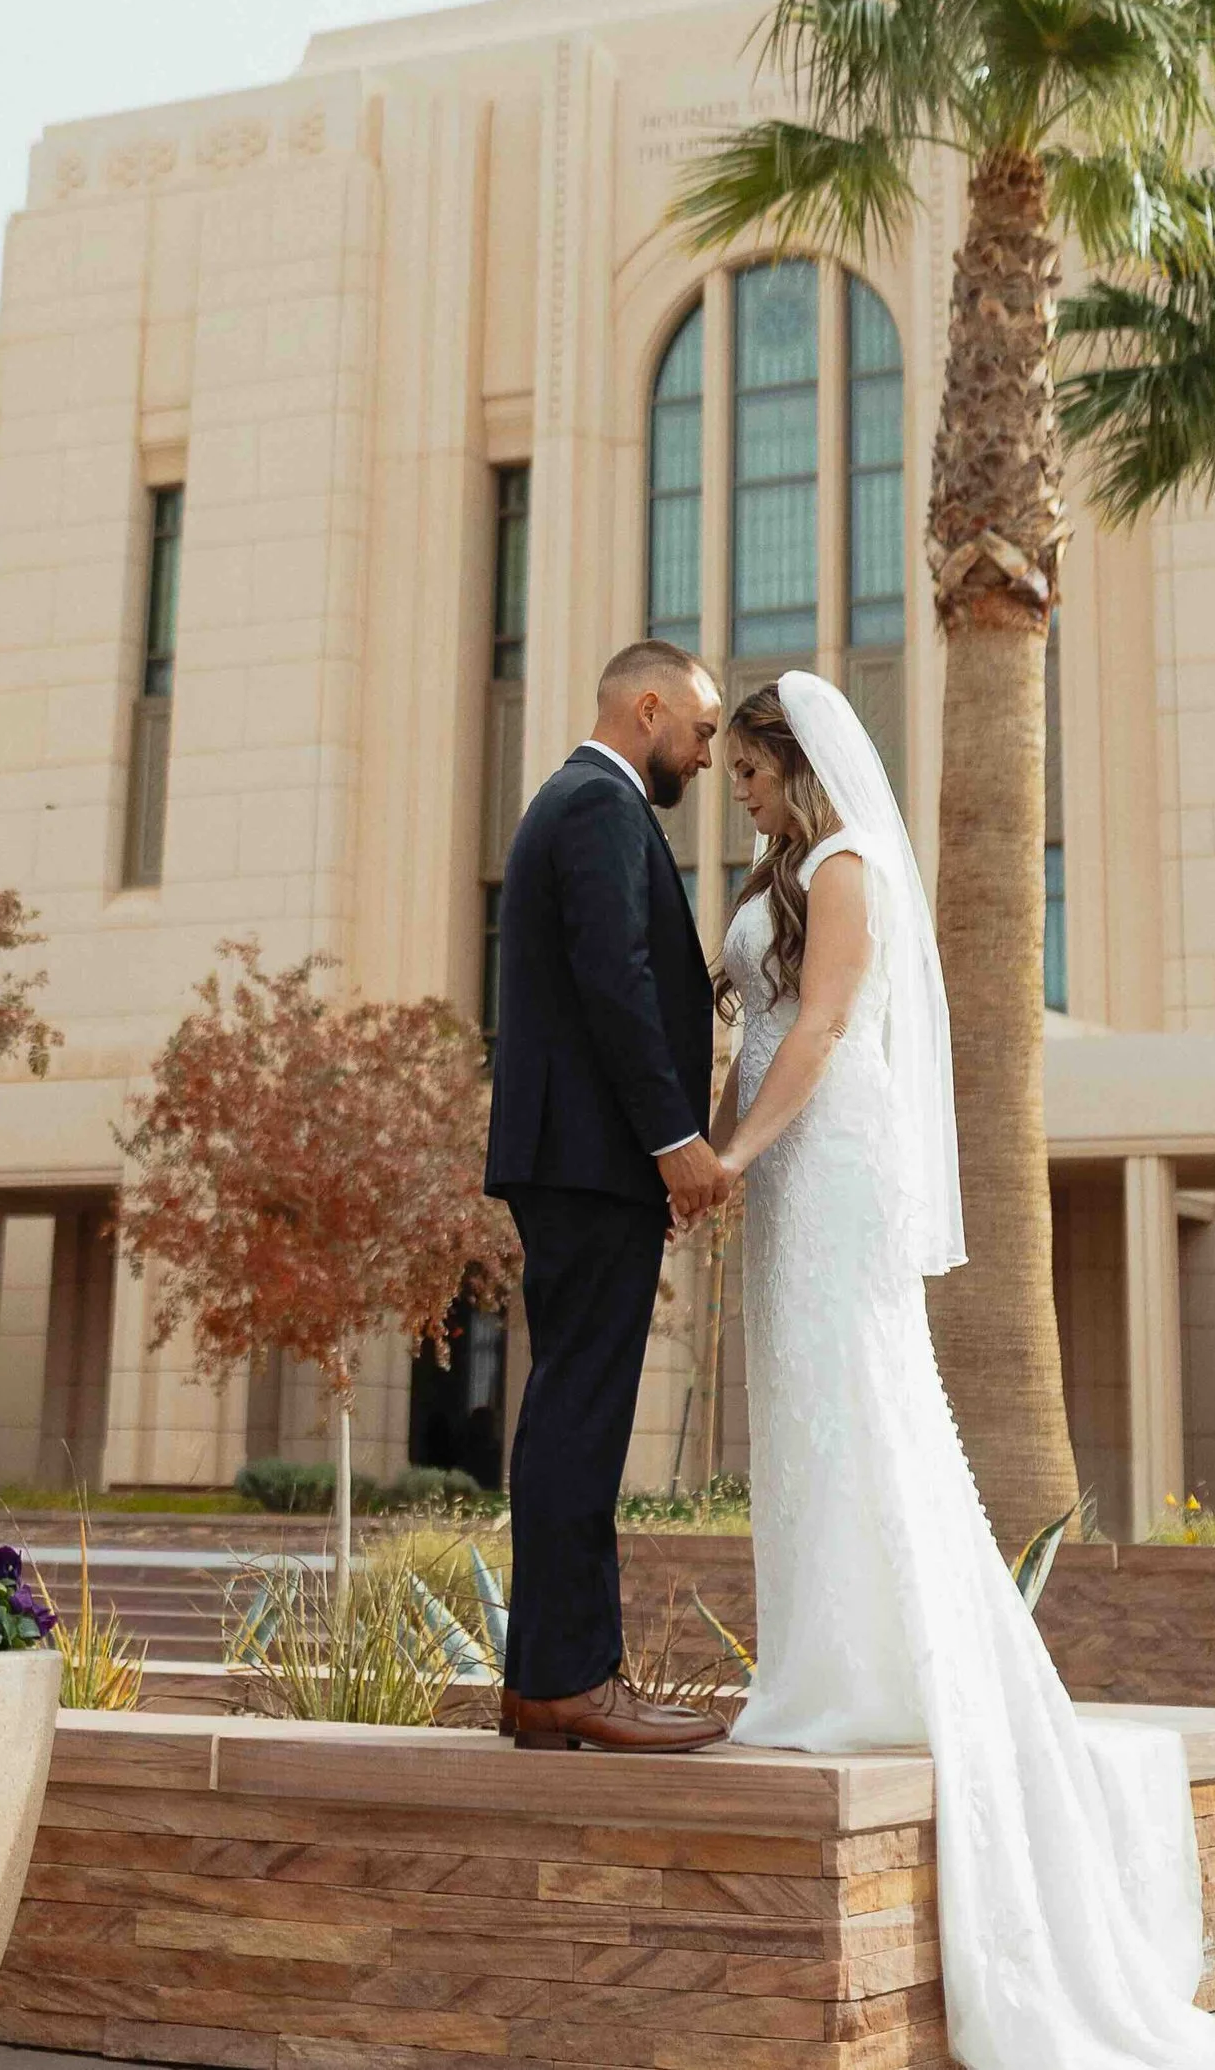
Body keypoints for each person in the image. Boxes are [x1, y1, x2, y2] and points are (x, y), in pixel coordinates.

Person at [713, 672, 1215, 2068]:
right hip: (774, 1164)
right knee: (799, 1416)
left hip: (826, 1152)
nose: (736, 792)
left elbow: (827, 1024)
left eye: (748, 770)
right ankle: (816, 1660)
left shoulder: (847, 865)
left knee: (857, 1394)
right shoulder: (779, 869)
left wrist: (736, 1150)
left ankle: (873, 1673)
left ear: (797, 764)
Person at [484, 636, 734, 1752]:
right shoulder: (595, 804)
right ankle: (570, 1681)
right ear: (649, 710)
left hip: (578, 1158)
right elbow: (613, 978)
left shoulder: (586, 804)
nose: (710, 755)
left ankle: (547, 1681)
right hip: (592, 1160)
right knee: (580, 1417)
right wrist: (675, 1139)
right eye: (704, 730)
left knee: (568, 1414)